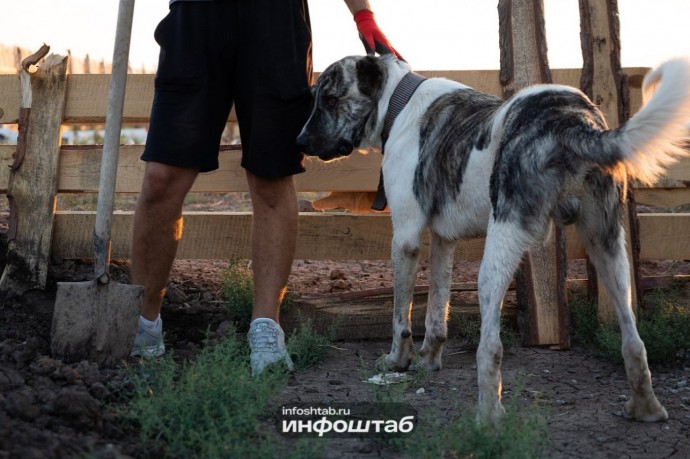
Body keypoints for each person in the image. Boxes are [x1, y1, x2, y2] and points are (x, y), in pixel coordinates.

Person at [129, 0, 399, 375]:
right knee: (162, 178)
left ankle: (265, 329)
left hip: (274, 21)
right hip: (197, 18)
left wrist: (362, 13)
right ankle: (142, 326)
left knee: (271, 177)